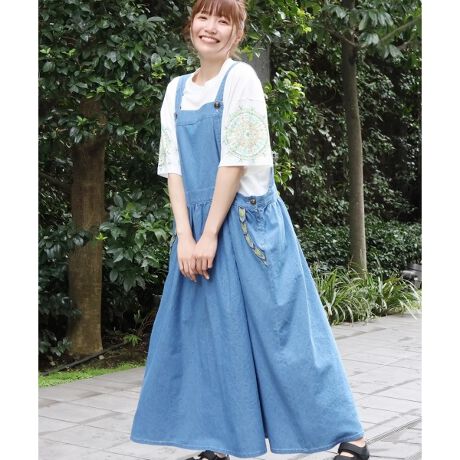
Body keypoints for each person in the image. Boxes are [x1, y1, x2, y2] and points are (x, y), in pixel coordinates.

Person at [130, 1, 370, 459]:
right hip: (197, 230)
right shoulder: (176, 91)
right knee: (210, 336)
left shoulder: (241, 79)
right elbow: (173, 168)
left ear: (237, 33)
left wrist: (209, 235)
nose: (211, 27)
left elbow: (235, 161)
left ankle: (350, 435)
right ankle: (220, 441)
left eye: (224, 20)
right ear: (191, 24)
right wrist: (186, 236)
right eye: (204, 17)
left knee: (285, 337)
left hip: (248, 225)